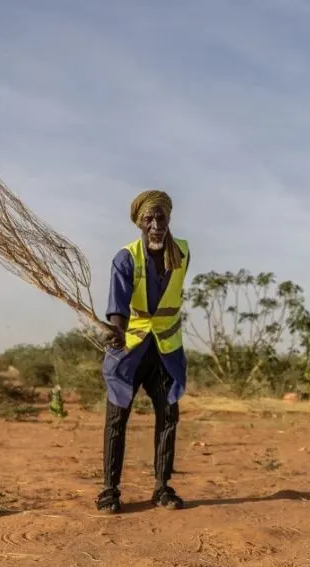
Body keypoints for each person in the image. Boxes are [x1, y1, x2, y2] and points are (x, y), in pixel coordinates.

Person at [95, 190, 190, 514]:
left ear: (169, 219)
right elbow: (117, 305)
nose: (155, 225)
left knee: (168, 417)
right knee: (116, 419)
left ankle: (162, 488)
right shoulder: (126, 258)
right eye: (148, 219)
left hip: (166, 350)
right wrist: (117, 331)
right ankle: (110, 490)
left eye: (160, 217)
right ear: (139, 222)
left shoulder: (182, 253)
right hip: (130, 351)